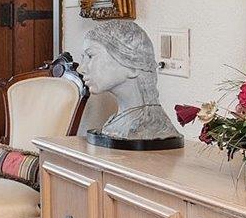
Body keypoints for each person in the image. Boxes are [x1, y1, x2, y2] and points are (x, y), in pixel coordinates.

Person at [78, 20, 182, 149]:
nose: (81, 68)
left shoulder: (147, 126)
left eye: (90, 56)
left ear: (132, 66)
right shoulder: (116, 123)